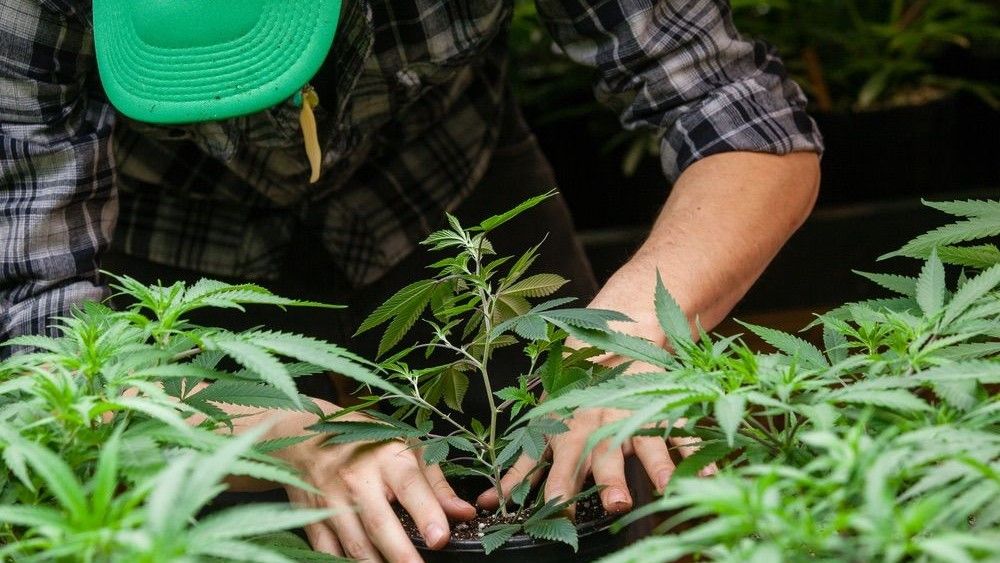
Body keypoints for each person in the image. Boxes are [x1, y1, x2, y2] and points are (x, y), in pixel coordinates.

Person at [0, 0, 822, 560]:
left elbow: (739, 111)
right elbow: (38, 329)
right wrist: (281, 434)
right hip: (162, 264)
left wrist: (639, 328)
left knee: (603, 483)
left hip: (453, 201)